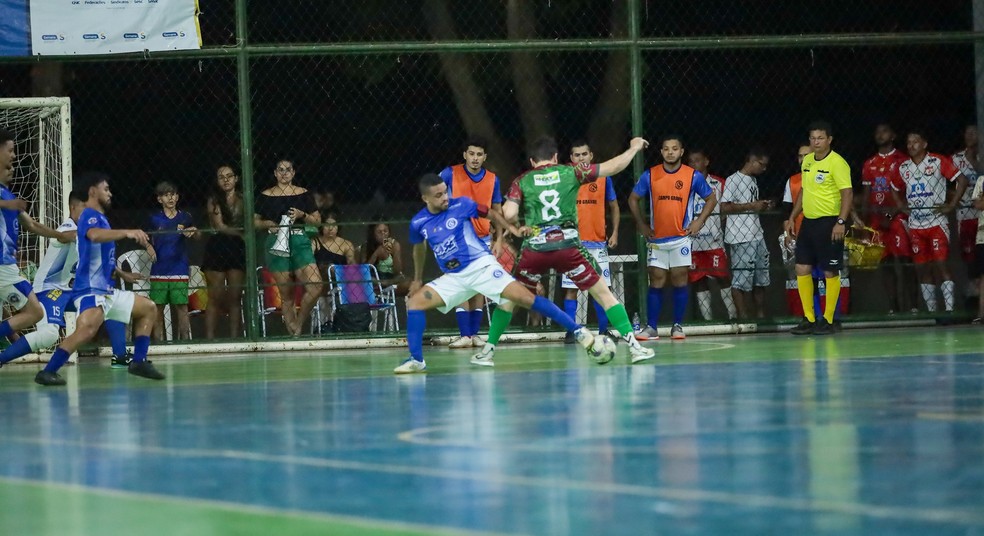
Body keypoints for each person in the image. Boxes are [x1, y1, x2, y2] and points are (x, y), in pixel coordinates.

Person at [472, 136, 656, 366]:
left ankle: (487, 352)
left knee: (509, 299)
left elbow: (508, 213)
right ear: (556, 157)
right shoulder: (571, 172)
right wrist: (633, 148)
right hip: (568, 247)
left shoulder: (523, 180)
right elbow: (613, 167)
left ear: (532, 161)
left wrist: (516, 227)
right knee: (605, 295)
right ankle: (635, 347)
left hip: (534, 249)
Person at [395, 173, 602, 374]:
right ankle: (416, 360)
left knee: (525, 298)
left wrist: (511, 231)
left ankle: (578, 331)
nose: (445, 198)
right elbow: (419, 248)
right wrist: (418, 279)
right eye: (438, 195)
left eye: (445, 192)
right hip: (454, 278)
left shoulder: (462, 205)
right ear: (425, 198)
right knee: (416, 302)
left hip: (482, 266)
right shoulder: (418, 223)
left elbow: (492, 214)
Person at [37, 173, 164, 386]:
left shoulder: (102, 219)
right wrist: (127, 232)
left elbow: (101, 253)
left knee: (149, 308)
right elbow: (94, 236)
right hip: (89, 290)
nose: (110, 193)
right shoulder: (89, 214)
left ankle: (139, 361)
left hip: (105, 291)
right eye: (106, 189)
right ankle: (48, 371)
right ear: (93, 192)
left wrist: (119, 273)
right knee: (86, 330)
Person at [0, 192, 138, 367]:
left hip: (70, 290)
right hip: (49, 289)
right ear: (73, 207)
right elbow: (69, 236)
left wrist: (122, 273)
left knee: (110, 302)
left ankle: (120, 356)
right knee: (48, 335)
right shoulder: (67, 229)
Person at [0, 130, 79, 376]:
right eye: (11, 150)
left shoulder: (8, 194)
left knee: (33, 314)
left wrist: (58, 235)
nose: (14, 156)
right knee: (35, 312)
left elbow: (32, 225)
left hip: (8, 266)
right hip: (3, 268)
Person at [628, 135, 717, 340]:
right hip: (657, 239)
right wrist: (642, 224)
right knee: (656, 279)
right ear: (661, 152)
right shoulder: (651, 175)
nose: (670, 152)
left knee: (679, 279)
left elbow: (711, 198)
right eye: (666, 149)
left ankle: (677, 326)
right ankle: (651, 327)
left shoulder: (692, 176)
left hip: (680, 238)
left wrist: (699, 221)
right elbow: (633, 199)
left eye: (674, 148)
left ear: (681, 152)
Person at [890, 129, 968, 318]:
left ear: (925, 144)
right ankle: (933, 314)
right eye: (908, 142)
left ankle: (949, 311)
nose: (911, 146)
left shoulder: (937, 161)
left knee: (941, 265)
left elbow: (962, 180)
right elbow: (893, 187)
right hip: (916, 224)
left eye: (915, 142)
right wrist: (902, 207)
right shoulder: (903, 168)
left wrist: (951, 205)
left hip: (936, 222)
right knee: (922, 268)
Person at [785, 121, 854, 335]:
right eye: (813, 138)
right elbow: (804, 192)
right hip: (809, 222)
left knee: (829, 270)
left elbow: (847, 194)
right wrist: (792, 217)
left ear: (829, 139)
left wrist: (841, 222)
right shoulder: (807, 161)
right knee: (802, 268)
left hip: (829, 222)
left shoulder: (837, 163)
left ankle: (830, 319)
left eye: (820, 138)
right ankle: (809, 318)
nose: (816, 142)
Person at [438, 138, 503, 348]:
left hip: (482, 238)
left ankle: (474, 334)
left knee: (478, 286)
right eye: (471, 153)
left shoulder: (493, 180)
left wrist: (498, 238)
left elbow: (497, 211)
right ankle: (465, 334)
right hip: (455, 238)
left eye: (479, 154)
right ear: (465, 154)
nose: (475, 158)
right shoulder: (450, 173)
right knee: (459, 283)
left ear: (485, 157)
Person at [253, 159, 322, 336]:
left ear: (293, 173)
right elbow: (254, 221)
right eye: (280, 170)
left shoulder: (303, 194)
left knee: (315, 285)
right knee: (286, 292)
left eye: (288, 170)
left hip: (299, 240)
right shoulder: (265, 195)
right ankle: (293, 334)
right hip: (276, 241)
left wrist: (302, 214)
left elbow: (317, 220)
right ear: (275, 173)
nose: (284, 173)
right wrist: (267, 223)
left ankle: (298, 323)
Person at [561, 140, 619, 343]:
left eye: (584, 154)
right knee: (571, 289)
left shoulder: (602, 176)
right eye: (576, 155)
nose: (581, 158)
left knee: (602, 288)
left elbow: (614, 205)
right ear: (571, 158)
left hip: (598, 243)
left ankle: (604, 331)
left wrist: (615, 233)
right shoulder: (565, 177)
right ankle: (571, 331)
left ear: (591, 156)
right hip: (572, 243)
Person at [860, 123, 916, 315]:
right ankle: (894, 308)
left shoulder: (903, 160)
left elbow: (910, 190)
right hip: (877, 221)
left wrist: (895, 212)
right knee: (886, 265)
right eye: (877, 132)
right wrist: (864, 223)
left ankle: (914, 306)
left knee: (906, 262)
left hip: (898, 217)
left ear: (893, 135)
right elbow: (867, 194)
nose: (880, 134)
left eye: (884, 131)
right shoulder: (869, 163)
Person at [721, 147, 773, 319]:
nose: (764, 169)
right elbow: (724, 207)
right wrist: (751, 206)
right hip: (740, 235)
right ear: (752, 160)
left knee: (760, 278)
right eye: (762, 165)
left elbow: (751, 205)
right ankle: (743, 317)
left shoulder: (752, 180)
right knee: (740, 278)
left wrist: (762, 206)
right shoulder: (733, 180)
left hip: (756, 233)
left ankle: (760, 315)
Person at [686, 149, 736, 322]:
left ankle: (733, 317)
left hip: (714, 242)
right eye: (690, 161)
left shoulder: (718, 183)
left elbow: (726, 209)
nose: (694, 164)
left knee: (723, 278)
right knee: (699, 282)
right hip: (693, 243)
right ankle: (707, 321)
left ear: (706, 161)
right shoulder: (684, 185)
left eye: (697, 160)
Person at [148, 181, 198, 341]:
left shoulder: (185, 217)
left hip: (179, 268)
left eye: (173, 194)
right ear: (159, 199)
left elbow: (198, 234)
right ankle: (158, 343)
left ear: (177, 197)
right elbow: (142, 236)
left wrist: (194, 231)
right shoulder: (154, 219)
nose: (170, 197)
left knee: (182, 307)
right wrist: (148, 245)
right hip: (159, 269)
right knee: (158, 308)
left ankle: (185, 341)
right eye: (166, 194)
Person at [203, 164, 246, 339]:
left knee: (235, 297)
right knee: (215, 296)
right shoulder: (214, 200)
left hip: (237, 247)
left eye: (229, 176)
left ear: (236, 178)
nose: (226, 180)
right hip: (218, 246)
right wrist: (244, 234)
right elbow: (220, 226)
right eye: (222, 177)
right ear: (217, 180)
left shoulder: (244, 198)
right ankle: (210, 338)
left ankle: (235, 338)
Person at [312, 211, 356, 332]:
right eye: (327, 225)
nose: (330, 228)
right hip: (320, 283)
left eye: (334, 225)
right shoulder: (315, 242)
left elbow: (352, 267)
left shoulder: (346, 244)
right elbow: (309, 265)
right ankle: (326, 327)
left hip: (341, 282)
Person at [952, 125, 981, 308]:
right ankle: (972, 300)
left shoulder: (981, 156)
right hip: (965, 214)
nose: (969, 136)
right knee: (970, 260)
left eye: (974, 133)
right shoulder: (956, 158)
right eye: (967, 132)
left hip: (982, 213)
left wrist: (975, 160)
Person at [362, 221, 410, 296]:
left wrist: (395, 253)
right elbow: (364, 270)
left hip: (391, 278)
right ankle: (380, 288)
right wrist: (376, 253)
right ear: (373, 234)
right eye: (379, 232)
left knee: (407, 281)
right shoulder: (366, 246)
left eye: (385, 231)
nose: (383, 234)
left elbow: (398, 271)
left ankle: (384, 286)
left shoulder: (395, 244)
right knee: (365, 279)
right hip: (375, 277)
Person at [970, 173, 984, 322]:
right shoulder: (982, 180)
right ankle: (981, 314)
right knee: (982, 277)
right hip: (983, 236)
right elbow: (978, 204)